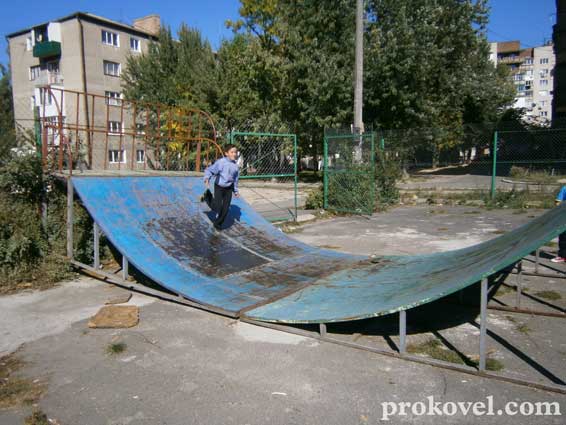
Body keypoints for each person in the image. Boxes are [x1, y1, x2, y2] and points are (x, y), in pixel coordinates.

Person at [200, 144, 240, 230]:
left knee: (225, 209)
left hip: (228, 189)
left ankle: (218, 224)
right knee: (218, 207)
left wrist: (236, 191)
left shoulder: (235, 166)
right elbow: (210, 170)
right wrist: (207, 178)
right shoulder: (221, 162)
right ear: (226, 153)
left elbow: (235, 180)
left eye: (235, 152)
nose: (234, 154)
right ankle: (207, 197)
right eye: (232, 152)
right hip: (219, 187)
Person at [551, 185, 566, 263]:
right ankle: (562, 256)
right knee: (563, 237)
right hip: (564, 217)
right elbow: (558, 201)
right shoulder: (565, 188)